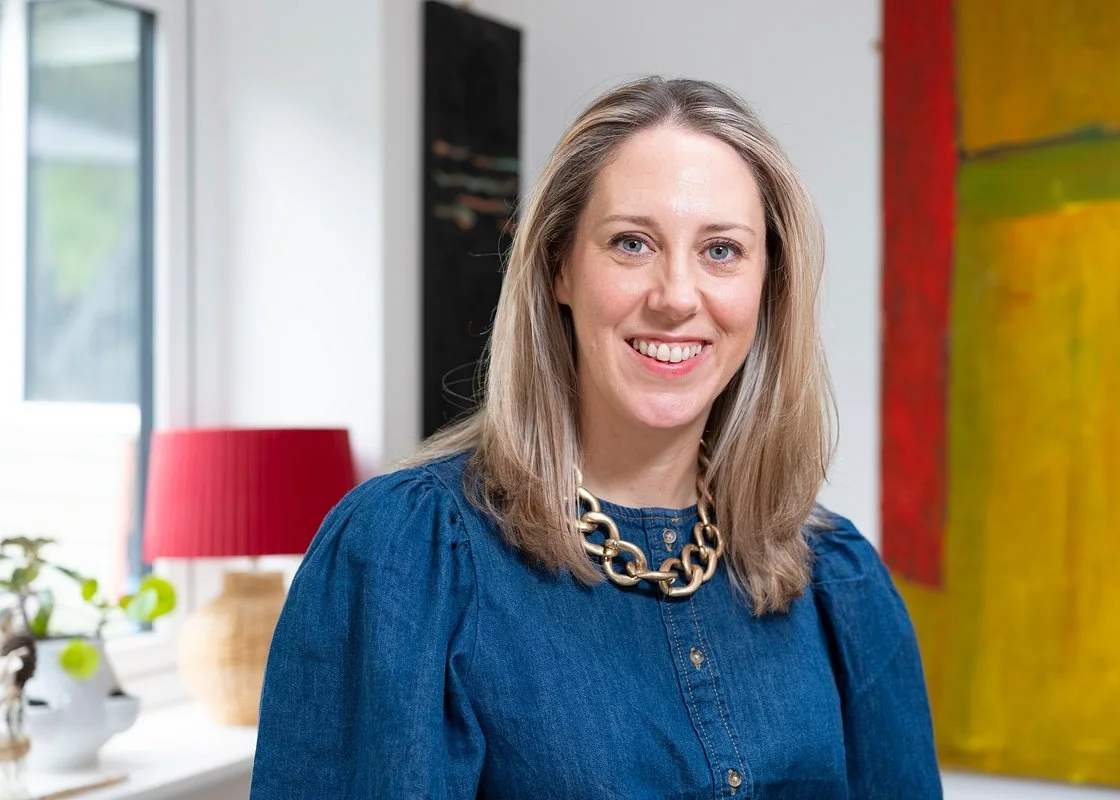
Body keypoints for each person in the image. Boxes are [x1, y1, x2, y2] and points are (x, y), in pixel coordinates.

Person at [249, 76, 942, 799]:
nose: (676, 297)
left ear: (768, 287)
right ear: (560, 267)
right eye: (632, 243)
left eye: (722, 251)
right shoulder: (404, 556)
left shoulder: (837, 579)